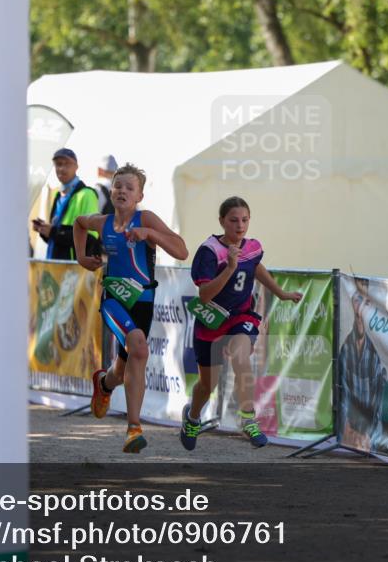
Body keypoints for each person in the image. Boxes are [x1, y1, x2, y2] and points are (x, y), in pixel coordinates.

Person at [73, 163, 189, 453]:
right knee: (138, 346)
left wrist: (149, 233)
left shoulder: (145, 218)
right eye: (118, 186)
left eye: (129, 187)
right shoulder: (102, 222)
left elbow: (181, 250)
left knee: (125, 363)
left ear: (139, 196)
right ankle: (133, 428)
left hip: (143, 301)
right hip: (114, 299)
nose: (122, 191)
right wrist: (82, 257)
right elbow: (78, 223)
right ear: (111, 191)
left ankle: (104, 384)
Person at [178, 197, 302, 450]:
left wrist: (281, 293)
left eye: (245, 220)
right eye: (234, 220)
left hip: (240, 316)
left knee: (240, 356)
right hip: (212, 319)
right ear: (222, 221)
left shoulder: (253, 246)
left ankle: (248, 419)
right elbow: (205, 295)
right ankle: (192, 417)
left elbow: (256, 268)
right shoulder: (210, 251)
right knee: (207, 385)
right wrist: (229, 267)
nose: (240, 225)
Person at [336, 277, 386, 453]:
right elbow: (343, 396)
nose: (360, 306)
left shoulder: (376, 354)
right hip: (349, 436)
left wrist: (369, 436)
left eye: (365, 300)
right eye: (357, 299)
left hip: (368, 437)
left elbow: (379, 406)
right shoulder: (346, 349)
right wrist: (346, 430)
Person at [32, 148, 101, 261]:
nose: (62, 168)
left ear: (76, 166)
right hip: (56, 266)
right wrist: (44, 231)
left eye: (67, 164)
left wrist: (53, 232)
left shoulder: (87, 194)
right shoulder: (58, 195)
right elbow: (57, 241)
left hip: (73, 268)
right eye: (58, 164)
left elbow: (91, 238)